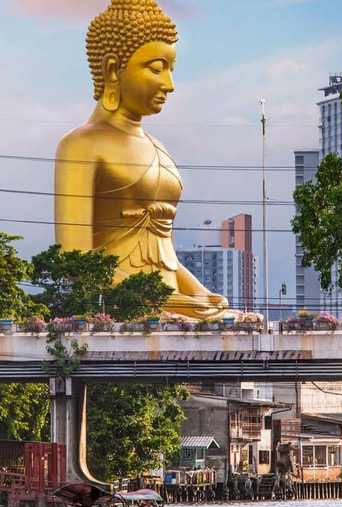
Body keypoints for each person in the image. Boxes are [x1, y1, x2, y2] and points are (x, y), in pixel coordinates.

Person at [53, 0, 238, 320]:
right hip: (116, 311)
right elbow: (75, 262)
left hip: (171, 304)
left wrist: (201, 295)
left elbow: (164, 255)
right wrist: (171, 302)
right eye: (156, 68)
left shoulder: (158, 147)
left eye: (171, 69)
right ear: (113, 69)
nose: (169, 84)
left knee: (236, 321)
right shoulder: (81, 145)